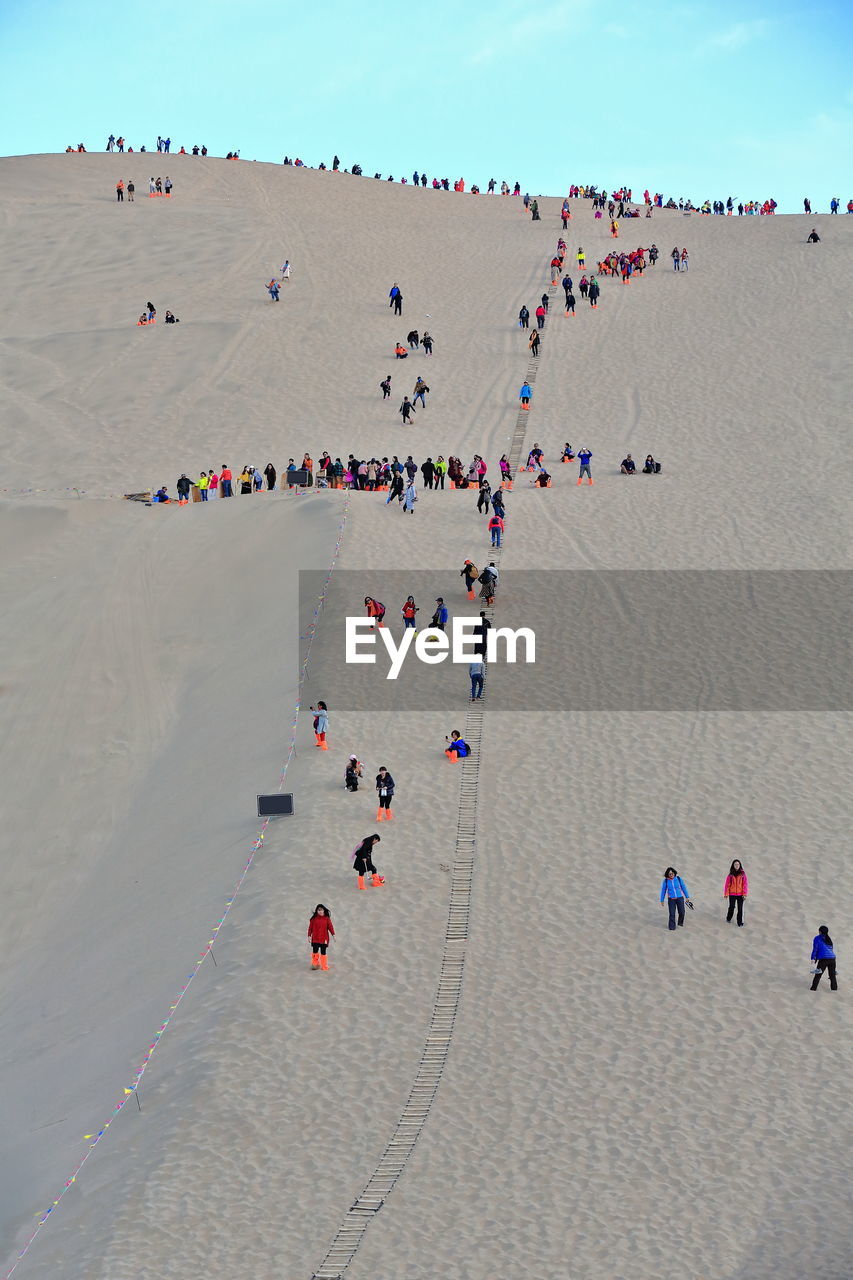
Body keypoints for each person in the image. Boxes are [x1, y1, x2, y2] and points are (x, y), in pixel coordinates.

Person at [308, 904, 335, 969]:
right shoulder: (313, 919)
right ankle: (315, 964)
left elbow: (330, 927)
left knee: (323, 952)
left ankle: (324, 965)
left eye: (321, 910)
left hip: (324, 939)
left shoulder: (327, 919)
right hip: (315, 938)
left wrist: (333, 935)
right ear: (317, 911)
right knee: (315, 951)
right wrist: (309, 936)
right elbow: (310, 928)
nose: (320, 911)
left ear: (324, 910)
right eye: (319, 910)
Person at [810, 925, 837, 990]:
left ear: (820, 932)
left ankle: (813, 989)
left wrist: (813, 958)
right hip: (832, 959)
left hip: (824, 960)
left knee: (818, 974)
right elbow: (831, 949)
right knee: (832, 976)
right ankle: (834, 989)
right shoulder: (829, 939)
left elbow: (815, 949)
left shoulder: (817, 938)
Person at [723, 859, 748, 926]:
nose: (736, 866)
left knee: (740, 909)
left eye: (738, 864)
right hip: (732, 894)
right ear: (733, 865)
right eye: (735, 864)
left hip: (741, 895)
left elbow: (745, 884)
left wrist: (744, 894)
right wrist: (726, 894)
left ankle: (739, 923)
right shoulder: (730, 875)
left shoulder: (743, 874)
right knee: (732, 907)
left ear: (740, 865)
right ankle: (728, 918)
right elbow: (727, 885)